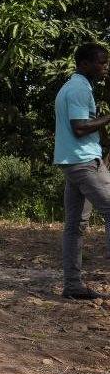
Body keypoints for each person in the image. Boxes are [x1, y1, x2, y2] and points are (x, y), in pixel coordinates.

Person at [54, 42, 110, 300]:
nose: (105, 68)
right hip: (84, 163)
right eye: (102, 62)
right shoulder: (78, 89)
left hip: (75, 162)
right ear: (85, 64)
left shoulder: (75, 86)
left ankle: (73, 285)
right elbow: (79, 127)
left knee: (74, 226)